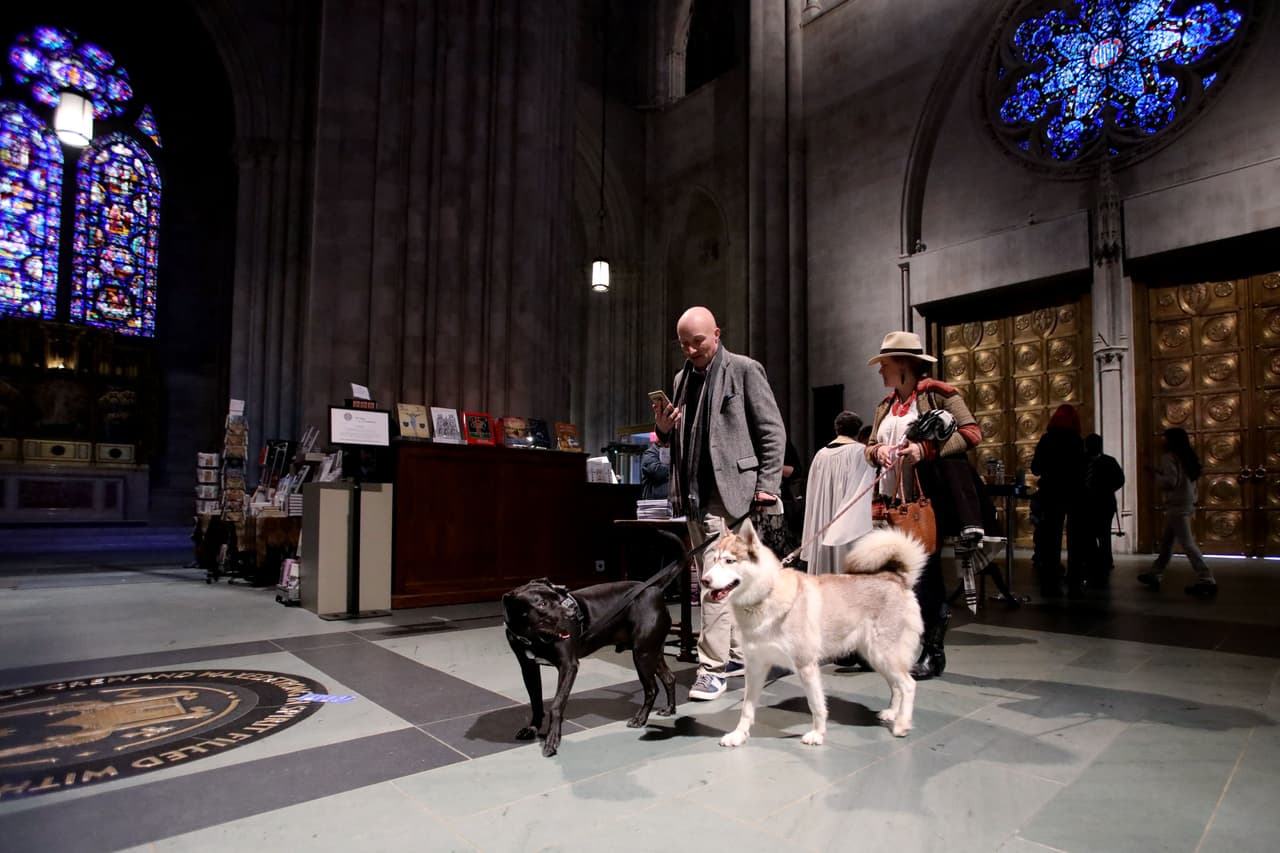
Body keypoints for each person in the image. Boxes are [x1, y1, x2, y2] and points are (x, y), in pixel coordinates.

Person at [652, 306, 786, 701]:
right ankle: (735, 654)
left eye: (698, 341)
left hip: (731, 494)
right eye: (684, 344)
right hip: (692, 494)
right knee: (717, 580)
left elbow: (771, 430)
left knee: (712, 582)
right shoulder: (681, 379)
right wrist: (663, 429)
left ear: (717, 334)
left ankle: (711, 669)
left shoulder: (744, 369)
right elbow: (673, 438)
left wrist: (768, 484)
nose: (692, 350)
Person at [864, 331, 984, 680]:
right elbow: (870, 446)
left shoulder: (939, 394)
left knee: (924, 577)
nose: (880, 371)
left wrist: (926, 451)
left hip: (922, 502)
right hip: (888, 501)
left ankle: (934, 651)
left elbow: (973, 433)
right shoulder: (885, 406)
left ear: (903, 365)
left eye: (884, 364)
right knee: (886, 577)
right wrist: (879, 452)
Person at [1138, 428, 1217, 599]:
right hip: (1186, 502)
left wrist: (1154, 476)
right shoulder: (1188, 457)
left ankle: (1206, 578)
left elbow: (1170, 482)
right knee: (1166, 543)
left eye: (1165, 439)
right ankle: (1155, 573)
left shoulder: (1168, 457)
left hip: (1176, 505)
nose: (1162, 442)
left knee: (1188, 544)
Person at [801, 410, 876, 575]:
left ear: (837, 429)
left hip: (822, 520)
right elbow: (865, 492)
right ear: (857, 430)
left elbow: (812, 498)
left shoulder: (820, 455)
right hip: (848, 524)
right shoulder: (860, 452)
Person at [1030, 404, 1088, 597]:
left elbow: (1036, 468)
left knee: (1051, 537)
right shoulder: (1077, 441)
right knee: (1076, 539)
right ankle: (1075, 580)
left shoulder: (1047, 440)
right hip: (1074, 493)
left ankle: (1051, 578)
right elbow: (1083, 468)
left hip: (1052, 493)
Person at [1082, 433, 1124, 588]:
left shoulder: (1108, 461)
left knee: (1104, 533)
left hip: (1104, 503)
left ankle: (1106, 560)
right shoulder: (1082, 461)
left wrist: (1107, 488)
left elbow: (1120, 479)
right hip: (1086, 503)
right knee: (1089, 535)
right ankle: (1093, 561)